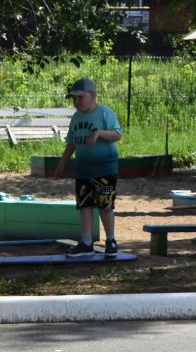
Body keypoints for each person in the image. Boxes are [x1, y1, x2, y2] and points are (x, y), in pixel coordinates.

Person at [57, 76, 123, 257]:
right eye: (74, 98)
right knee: (85, 205)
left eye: (80, 97)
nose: (76, 101)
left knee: (105, 205)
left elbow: (117, 134)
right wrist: (63, 162)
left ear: (92, 95)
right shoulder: (76, 118)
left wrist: (99, 133)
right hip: (83, 169)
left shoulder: (104, 113)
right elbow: (71, 143)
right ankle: (86, 242)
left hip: (104, 168)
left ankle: (111, 240)